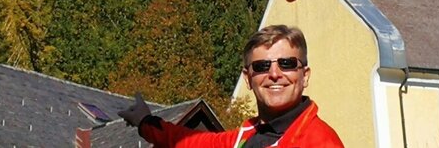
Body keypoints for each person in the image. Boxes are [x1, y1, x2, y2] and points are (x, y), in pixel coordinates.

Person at [118, 24, 344, 147]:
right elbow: (188, 142)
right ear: (248, 78)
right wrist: (144, 122)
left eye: (287, 64)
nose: (275, 74)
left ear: (305, 76)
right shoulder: (243, 138)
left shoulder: (321, 142)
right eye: (262, 66)